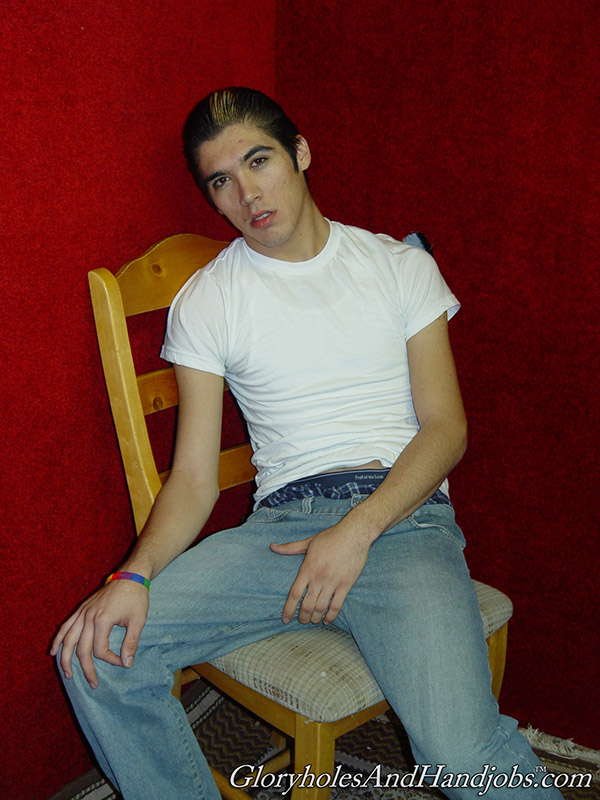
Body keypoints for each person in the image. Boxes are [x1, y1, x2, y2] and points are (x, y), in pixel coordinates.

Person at [52, 87, 562, 800]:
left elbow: (447, 430)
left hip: (402, 519)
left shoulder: (400, 268)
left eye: (259, 161)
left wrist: (356, 532)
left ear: (300, 152)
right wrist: (131, 578)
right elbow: (193, 479)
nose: (246, 195)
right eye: (221, 181)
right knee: (95, 650)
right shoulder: (209, 299)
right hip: (281, 531)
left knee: (461, 749)